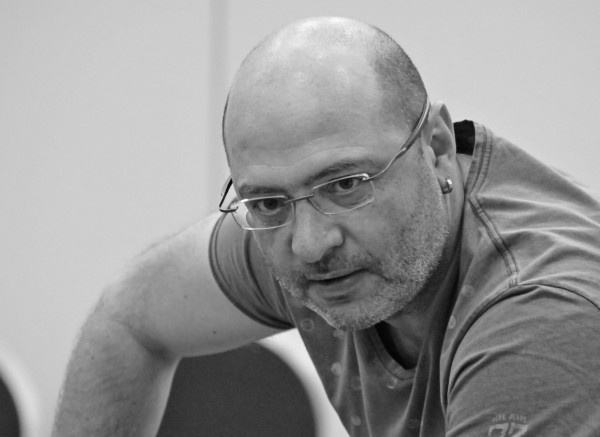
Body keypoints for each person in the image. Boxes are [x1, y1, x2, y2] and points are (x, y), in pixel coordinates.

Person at [52, 16, 600, 437]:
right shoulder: (304, 231)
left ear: (435, 148)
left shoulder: (539, 321)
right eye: (267, 201)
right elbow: (128, 319)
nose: (311, 245)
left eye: (347, 184)